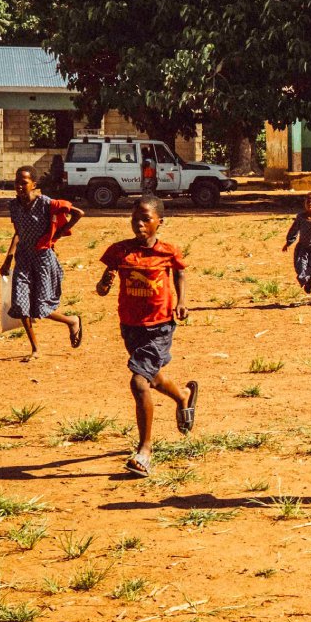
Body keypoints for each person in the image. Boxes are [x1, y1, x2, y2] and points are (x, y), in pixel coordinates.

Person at [96, 196, 197, 478]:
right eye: (135, 218)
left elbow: (179, 274)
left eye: (146, 219)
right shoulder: (119, 251)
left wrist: (181, 300)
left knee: (139, 381)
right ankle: (184, 395)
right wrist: (103, 285)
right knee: (152, 376)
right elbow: (103, 285)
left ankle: (145, 451)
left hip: (160, 325)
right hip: (130, 325)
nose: (139, 224)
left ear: (159, 223)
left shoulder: (168, 251)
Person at [1, 165, 84, 359]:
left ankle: (71, 321)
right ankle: (35, 350)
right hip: (23, 259)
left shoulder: (46, 203)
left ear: (34, 184)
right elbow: (18, 233)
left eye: (24, 183)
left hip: (43, 259)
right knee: (21, 306)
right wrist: (8, 259)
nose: (19, 186)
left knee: (41, 307)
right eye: (17, 182)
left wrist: (57, 235)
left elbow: (78, 213)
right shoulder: (14, 206)